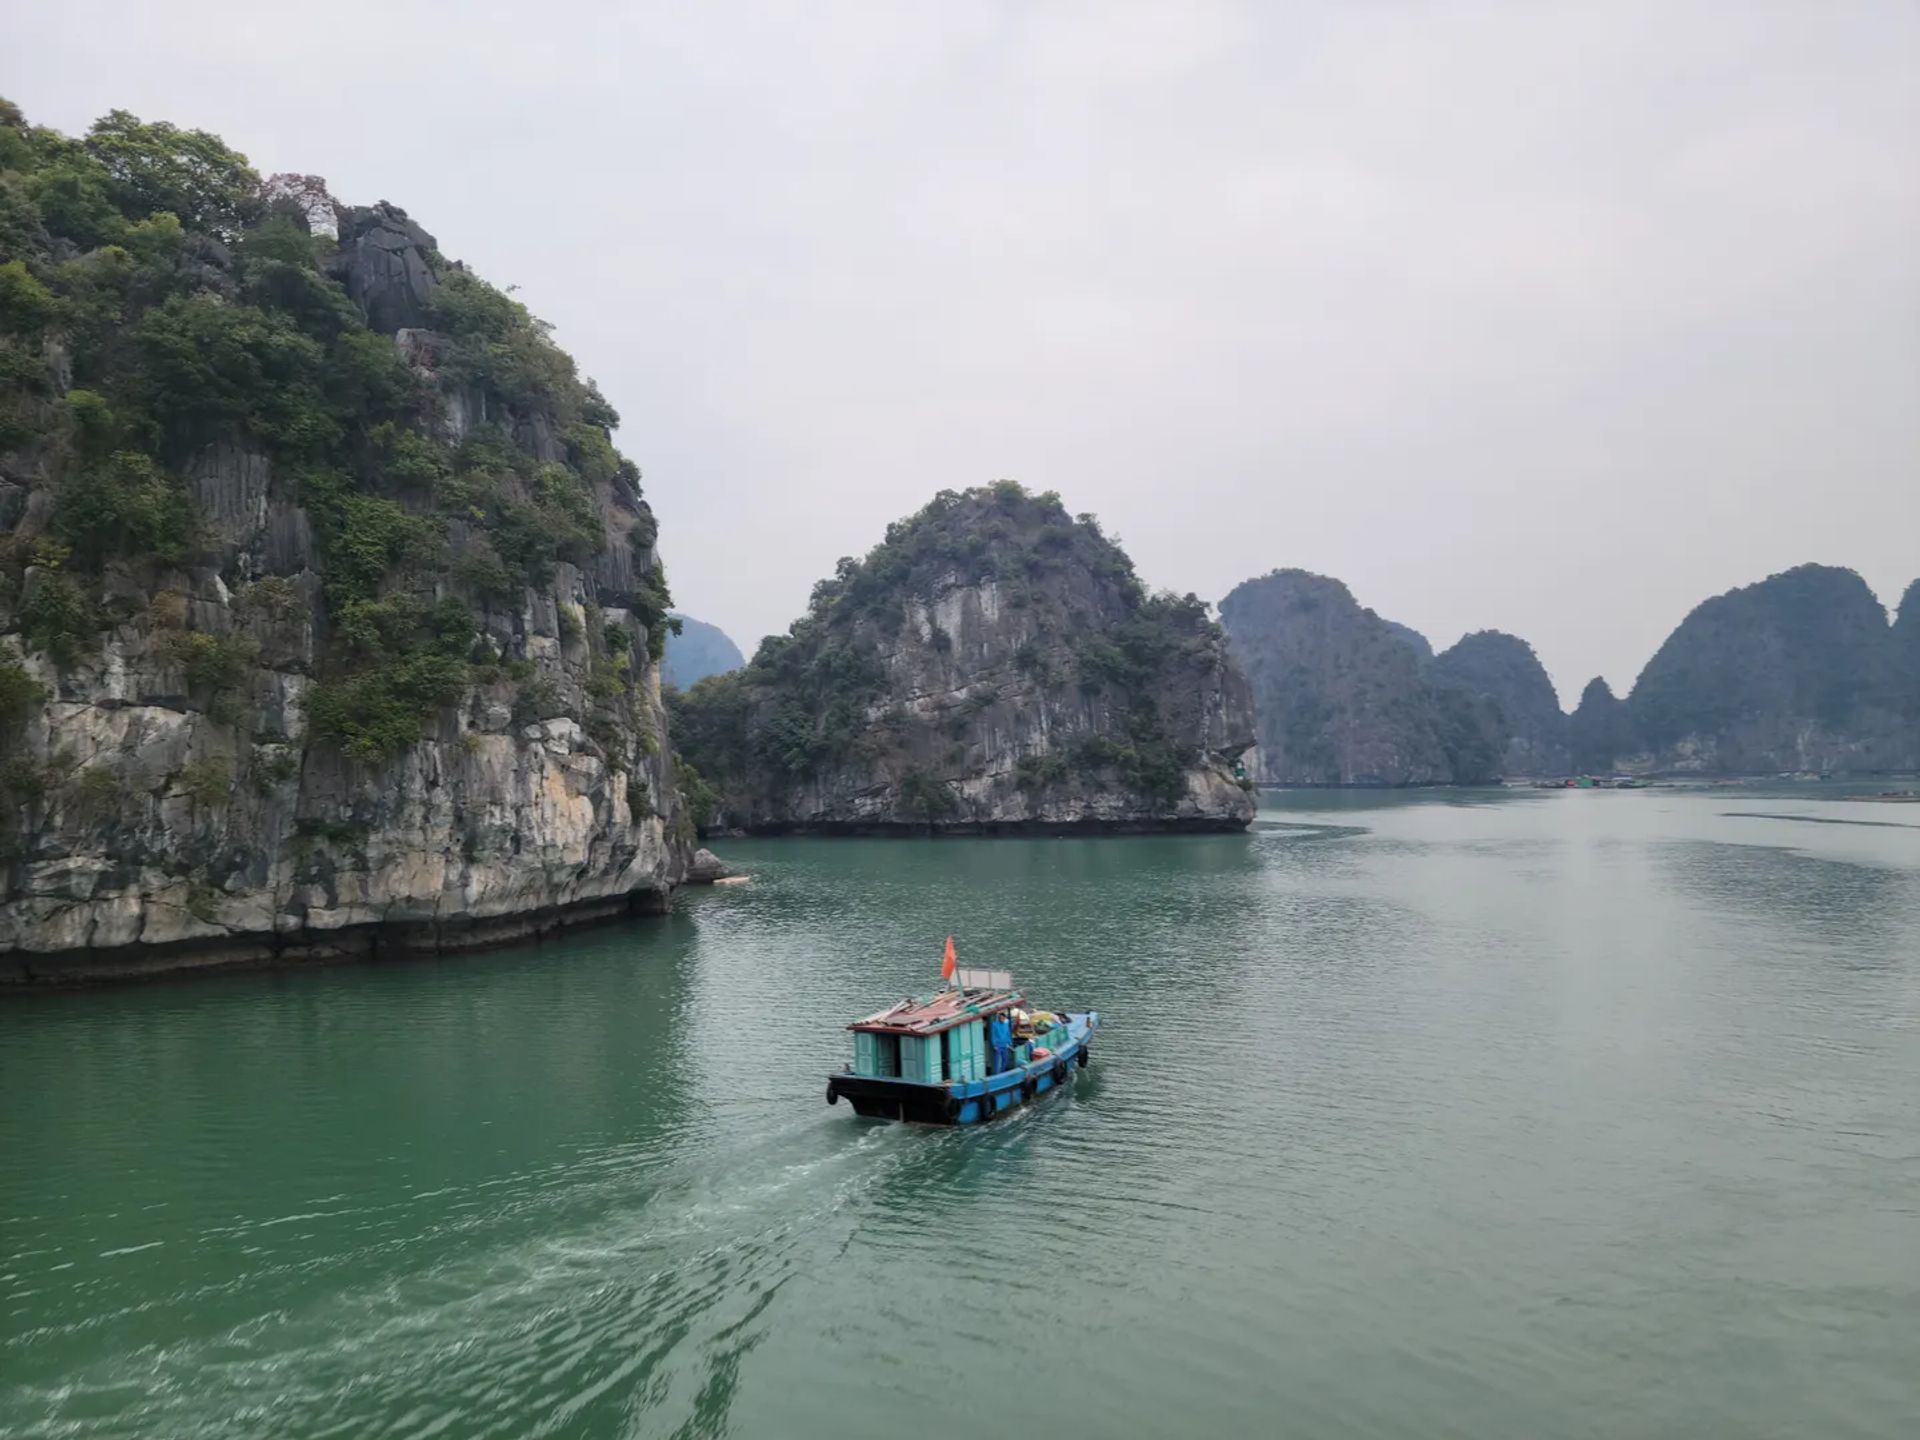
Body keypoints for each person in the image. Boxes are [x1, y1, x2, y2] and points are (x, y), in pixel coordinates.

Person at [988, 1011, 1013, 1076]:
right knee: (997, 1061)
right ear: (998, 1018)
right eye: (1000, 1018)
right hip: (998, 1046)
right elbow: (993, 1035)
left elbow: (1008, 1034)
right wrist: (994, 1045)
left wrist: (1010, 1043)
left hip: (1005, 1045)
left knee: (1005, 1060)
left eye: (1003, 1018)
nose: (1002, 1019)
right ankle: (996, 1075)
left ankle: (1003, 1073)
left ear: (1005, 1018)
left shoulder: (1006, 1024)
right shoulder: (994, 1024)